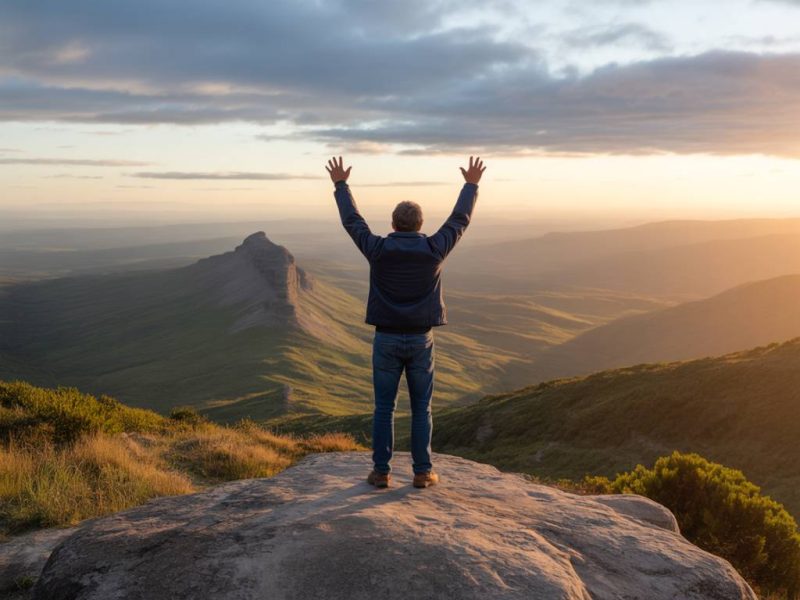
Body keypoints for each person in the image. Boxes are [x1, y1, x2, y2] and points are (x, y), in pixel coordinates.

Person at [326, 155, 485, 489]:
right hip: (420, 341)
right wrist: (471, 184)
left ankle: (381, 472)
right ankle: (423, 472)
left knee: (384, 408)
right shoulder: (434, 249)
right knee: (421, 409)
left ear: (394, 223)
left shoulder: (378, 249)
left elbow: (352, 221)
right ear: (420, 223)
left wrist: (341, 185)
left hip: (385, 340)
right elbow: (459, 220)